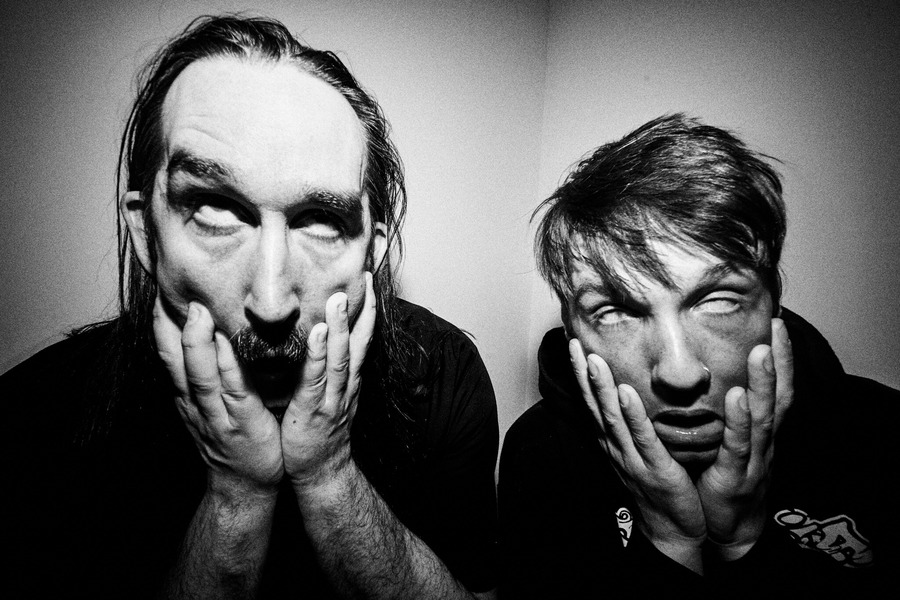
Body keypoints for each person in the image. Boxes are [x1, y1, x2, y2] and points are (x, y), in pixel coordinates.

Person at [3, 15, 498, 599]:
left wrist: (330, 473)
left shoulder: (443, 376)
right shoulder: (34, 419)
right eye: (215, 210)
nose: (270, 301)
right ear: (144, 232)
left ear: (374, 248)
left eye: (321, 220)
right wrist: (238, 492)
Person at [498, 113, 898, 598]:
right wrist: (669, 541)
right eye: (615, 311)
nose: (680, 372)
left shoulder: (885, 439)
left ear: (773, 302)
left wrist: (743, 540)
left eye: (718, 301)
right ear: (572, 332)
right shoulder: (542, 456)